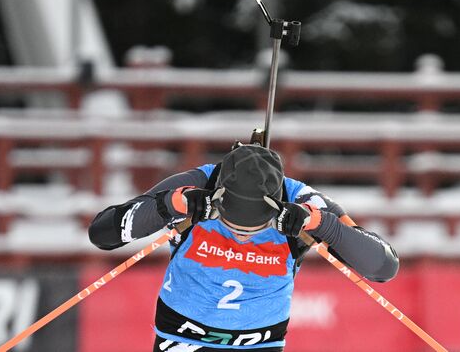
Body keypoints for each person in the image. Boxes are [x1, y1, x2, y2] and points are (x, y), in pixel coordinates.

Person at [89, 144, 399, 352]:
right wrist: (170, 205)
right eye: (234, 228)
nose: (242, 238)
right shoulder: (199, 183)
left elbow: (383, 267)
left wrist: (321, 225)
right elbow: (103, 233)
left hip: (259, 343)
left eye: (253, 230)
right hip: (181, 338)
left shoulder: (304, 201)